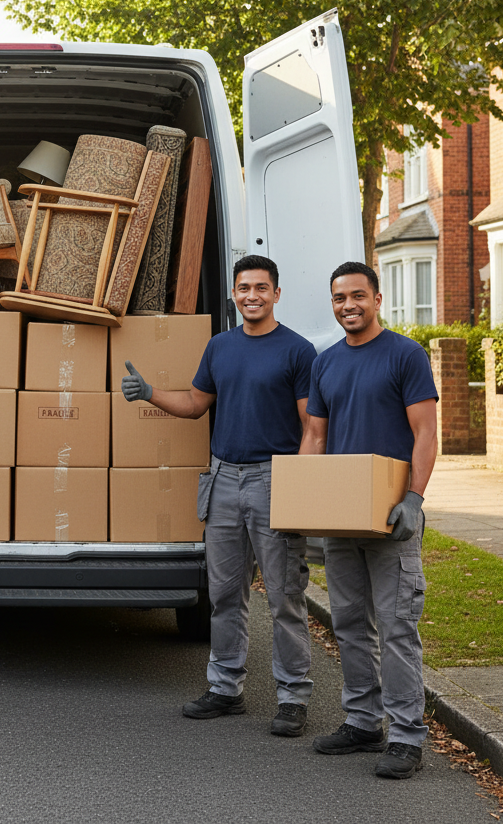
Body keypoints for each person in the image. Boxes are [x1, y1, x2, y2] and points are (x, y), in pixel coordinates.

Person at [121, 254, 316, 736]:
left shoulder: (298, 351)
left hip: (274, 479)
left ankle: (293, 697)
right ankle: (225, 688)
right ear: (234, 293)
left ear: (276, 293)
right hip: (223, 478)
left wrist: (302, 487)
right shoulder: (220, 347)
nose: (252, 295)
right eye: (244, 288)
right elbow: (194, 404)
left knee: (285, 596)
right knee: (225, 594)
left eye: (261, 288)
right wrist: (148, 392)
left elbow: (314, 426)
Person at [301, 261, 438, 780]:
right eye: (339, 298)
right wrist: (303, 503)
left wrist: (414, 499)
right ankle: (363, 721)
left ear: (377, 299)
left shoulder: (405, 354)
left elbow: (425, 432)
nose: (348, 305)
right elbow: (315, 437)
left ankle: (406, 735)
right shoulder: (326, 363)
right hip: (341, 517)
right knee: (350, 624)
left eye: (358, 296)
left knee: (398, 628)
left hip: (391, 517)